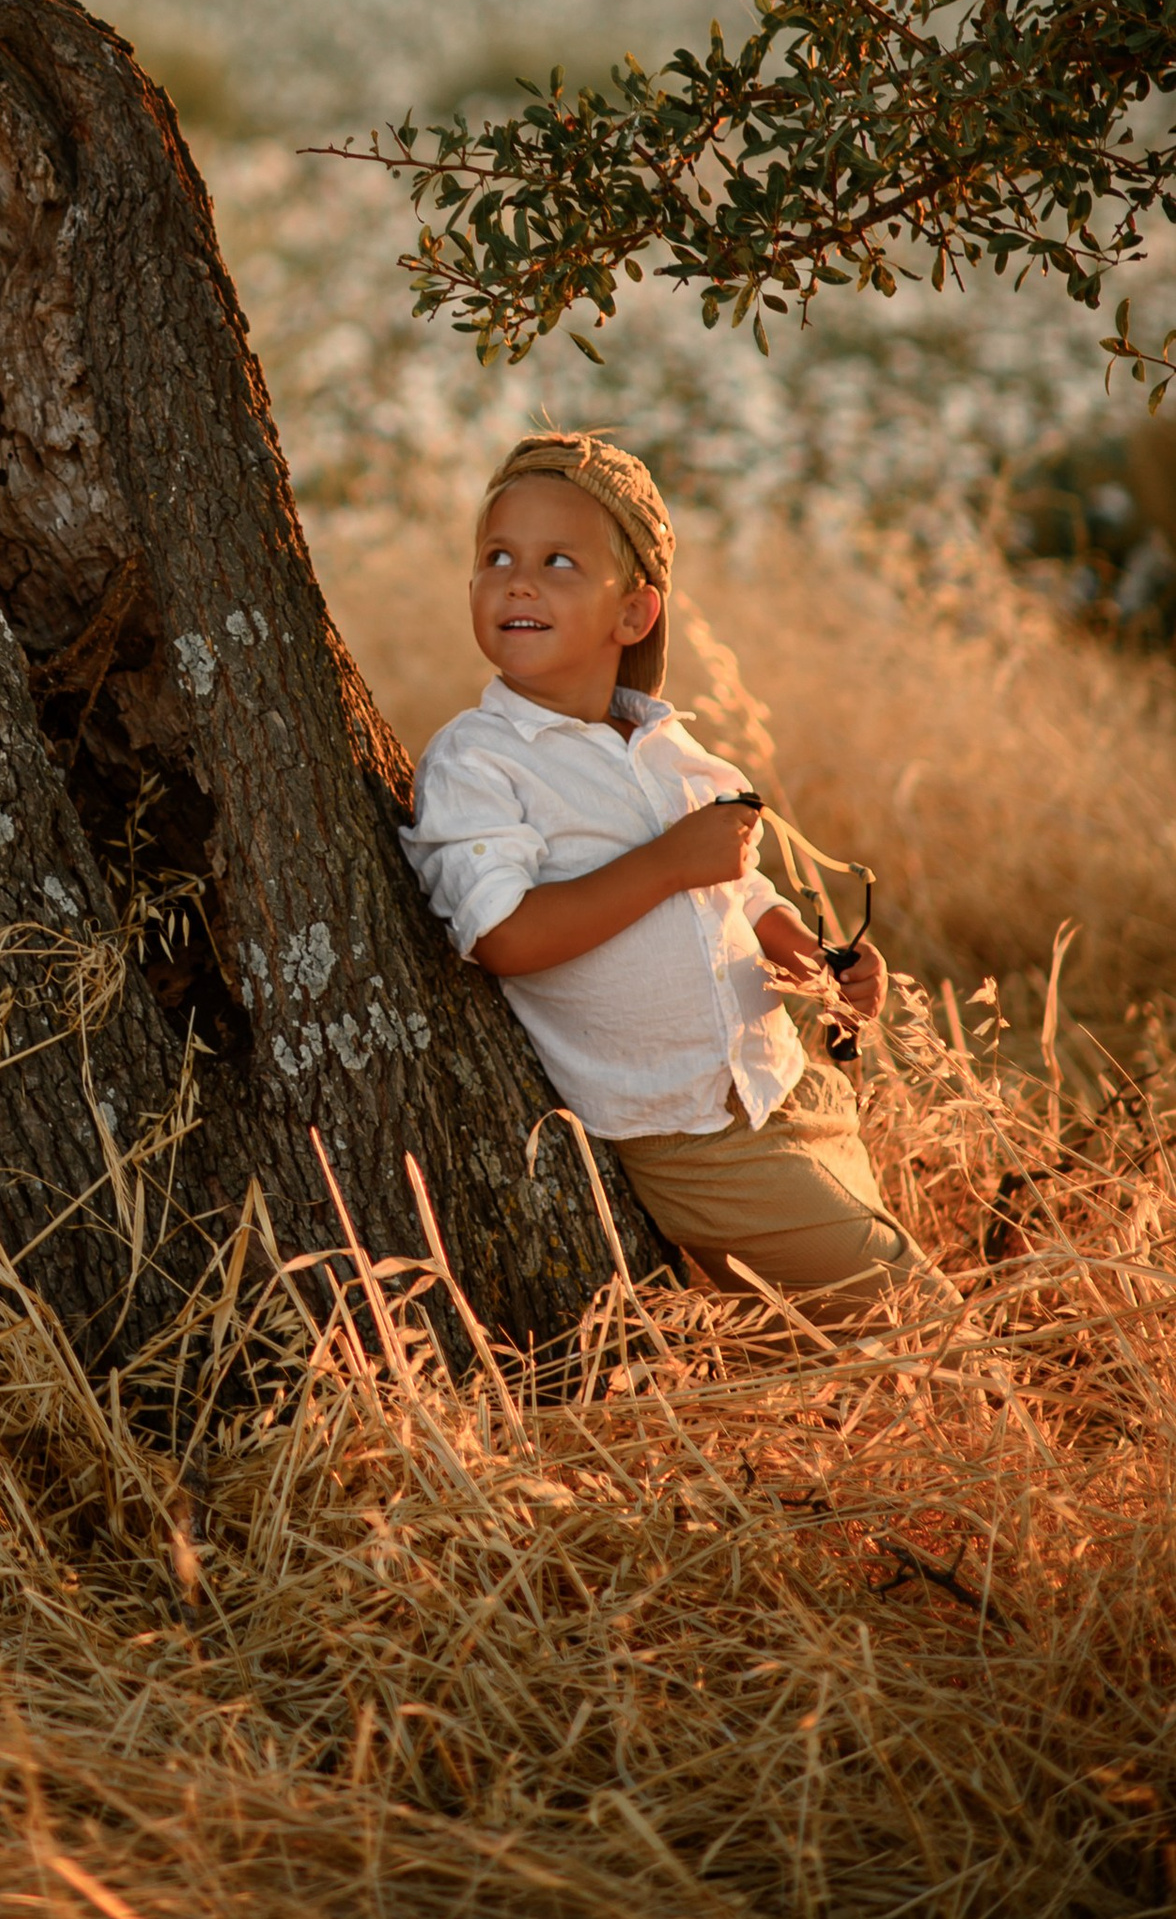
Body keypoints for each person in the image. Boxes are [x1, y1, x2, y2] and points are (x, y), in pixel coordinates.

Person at [401, 430, 940, 1318]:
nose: (518, 581)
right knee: (907, 1306)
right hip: (683, 1127)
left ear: (633, 615)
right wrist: (665, 864)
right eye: (496, 557)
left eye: (558, 561)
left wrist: (815, 961)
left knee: (837, 1333)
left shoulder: (667, 745)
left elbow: (735, 890)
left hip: (784, 1083)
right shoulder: (479, 760)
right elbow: (503, 936)